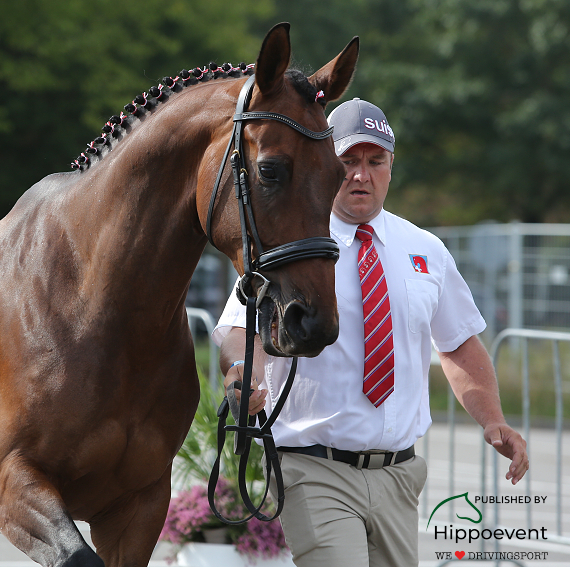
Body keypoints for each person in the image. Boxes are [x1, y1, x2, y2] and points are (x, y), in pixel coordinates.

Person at [212, 98, 529, 567]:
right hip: (314, 467)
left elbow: (459, 343)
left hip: (399, 476)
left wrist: (494, 419)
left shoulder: (426, 250)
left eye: (374, 161)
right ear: (325, 164)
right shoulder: (289, 243)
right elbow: (242, 332)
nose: (361, 174)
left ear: (390, 166)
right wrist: (244, 375)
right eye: (349, 162)